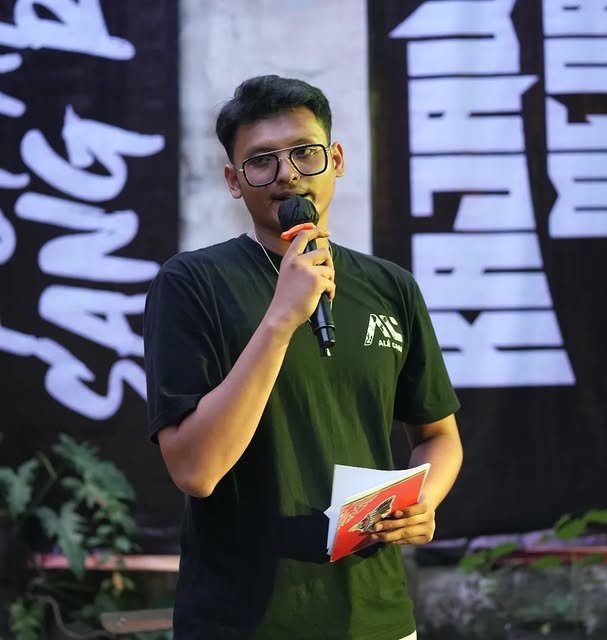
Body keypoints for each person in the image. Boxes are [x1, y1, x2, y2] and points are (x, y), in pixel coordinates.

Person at [143, 74, 463, 640]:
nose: (287, 173)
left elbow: (439, 437)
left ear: (335, 160)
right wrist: (281, 317)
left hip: (377, 619)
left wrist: (422, 503)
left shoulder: (391, 287)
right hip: (241, 622)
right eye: (261, 161)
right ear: (234, 181)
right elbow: (195, 471)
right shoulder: (193, 283)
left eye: (304, 152)